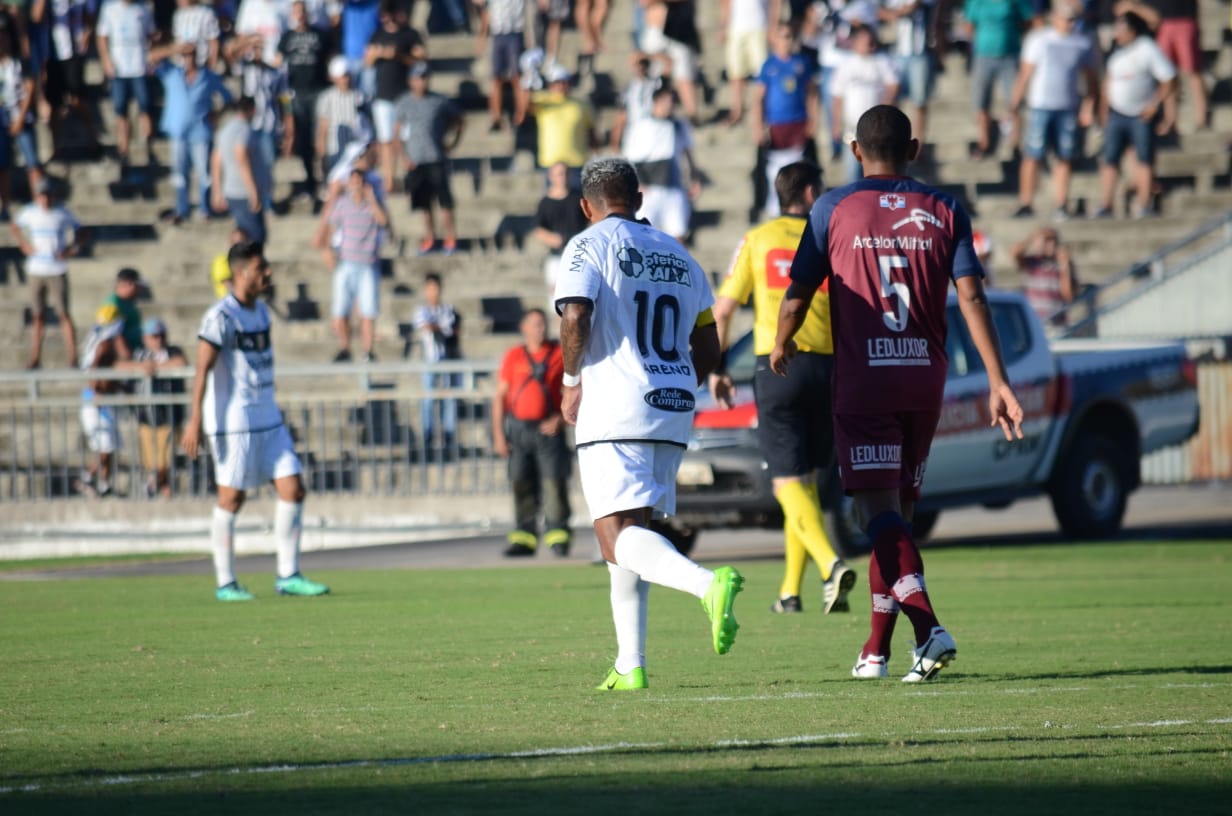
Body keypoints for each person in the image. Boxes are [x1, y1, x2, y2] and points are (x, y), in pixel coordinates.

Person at [770, 105, 1023, 682]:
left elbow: (798, 292)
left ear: (855, 151)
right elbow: (972, 297)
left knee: (875, 513)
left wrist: (782, 342)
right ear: (913, 150)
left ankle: (928, 628)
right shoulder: (945, 208)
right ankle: (875, 651)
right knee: (897, 516)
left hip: (866, 381)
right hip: (923, 379)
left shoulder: (832, 208)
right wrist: (998, 380)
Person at [554, 157, 744, 691]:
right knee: (632, 533)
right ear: (639, 199)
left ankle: (707, 585)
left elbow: (575, 315)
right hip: (672, 404)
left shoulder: (587, 245)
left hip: (615, 406)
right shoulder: (680, 254)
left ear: (586, 206)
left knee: (615, 538)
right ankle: (629, 662)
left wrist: (570, 381)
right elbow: (709, 344)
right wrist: (679, 383)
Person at [710, 161, 855, 616]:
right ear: (810, 193)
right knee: (805, 481)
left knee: (787, 482)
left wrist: (717, 368)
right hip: (828, 364)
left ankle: (830, 564)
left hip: (777, 364)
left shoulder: (758, 238)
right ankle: (790, 593)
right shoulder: (830, 236)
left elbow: (723, 309)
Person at [181, 239, 330, 602]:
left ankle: (288, 575)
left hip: (268, 418)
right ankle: (225, 582)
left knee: (293, 488)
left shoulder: (261, 312)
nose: (268, 273)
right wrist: (194, 419)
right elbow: (202, 369)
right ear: (241, 273)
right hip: (234, 422)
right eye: (261, 268)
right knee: (232, 498)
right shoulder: (221, 317)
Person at [1009, 0, 1100, 220]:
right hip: (1041, 105)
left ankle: (1061, 203)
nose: (1070, 23)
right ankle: (1026, 202)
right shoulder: (1039, 39)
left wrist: (1089, 106)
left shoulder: (1082, 43)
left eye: (1073, 19)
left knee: (1065, 156)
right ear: (1055, 19)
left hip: (1068, 107)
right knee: (1033, 155)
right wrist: (1014, 102)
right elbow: (1025, 73)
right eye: (1066, 19)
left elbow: (1091, 79)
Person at [492, 307, 572, 558]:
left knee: (553, 483)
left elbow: (574, 391)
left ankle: (558, 535)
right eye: (535, 324)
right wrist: (498, 435)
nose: (540, 329)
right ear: (524, 328)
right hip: (519, 430)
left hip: (548, 431)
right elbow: (500, 396)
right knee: (520, 482)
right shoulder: (514, 356)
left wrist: (560, 419)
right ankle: (524, 538)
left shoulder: (559, 353)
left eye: (542, 324)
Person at [1094, 10, 1176, 219]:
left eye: (1121, 28)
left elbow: (1169, 78)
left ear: (1132, 30)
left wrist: (1155, 105)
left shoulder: (1147, 48)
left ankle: (1144, 204)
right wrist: (1103, 111)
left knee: (1144, 159)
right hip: (1116, 114)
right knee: (1110, 159)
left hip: (1140, 115)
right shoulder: (1115, 51)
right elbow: (1108, 83)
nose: (1117, 33)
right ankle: (1106, 204)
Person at [151, 40, 232, 224]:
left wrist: (217, 114)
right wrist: (174, 49)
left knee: (204, 172)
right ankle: (182, 209)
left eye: (191, 54)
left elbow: (228, 97)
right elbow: (150, 57)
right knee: (179, 172)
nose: (189, 58)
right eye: (185, 55)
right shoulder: (172, 73)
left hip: (200, 130)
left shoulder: (208, 76)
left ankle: (205, 208)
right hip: (178, 130)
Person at [313, 168, 389, 362]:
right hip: (346, 262)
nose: (356, 186)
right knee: (341, 309)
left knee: (367, 310)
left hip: (367, 264)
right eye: (353, 182)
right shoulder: (342, 204)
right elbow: (331, 226)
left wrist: (371, 199)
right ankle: (345, 348)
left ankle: (367, 351)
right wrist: (327, 249)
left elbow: (383, 221)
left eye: (359, 182)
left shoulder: (373, 203)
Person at [12, 177, 84, 369]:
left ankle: (73, 357)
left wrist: (72, 249)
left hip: (57, 269)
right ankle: (35, 357)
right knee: (38, 315)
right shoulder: (29, 212)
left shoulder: (62, 212)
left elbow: (82, 231)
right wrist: (24, 245)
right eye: (41, 195)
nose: (44, 199)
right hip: (36, 269)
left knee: (63, 314)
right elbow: (15, 226)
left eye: (47, 195)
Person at [750, 21, 818, 220]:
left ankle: (801, 206)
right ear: (775, 39)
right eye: (783, 37)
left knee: (799, 166)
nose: (787, 41)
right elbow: (758, 99)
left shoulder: (802, 63)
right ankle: (775, 207)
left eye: (790, 36)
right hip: (776, 124)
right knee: (774, 168)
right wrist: (758, 126)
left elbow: (812, 93)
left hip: (797, 122)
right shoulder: (768, 66)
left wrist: (813, 120)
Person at [395, 61, 463, 255]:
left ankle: (450, 238)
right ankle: (430, 238)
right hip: (416, 161)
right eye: (418, 78)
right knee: (424, 204)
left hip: (436, 158)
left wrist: (452, 143)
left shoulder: (439, 101)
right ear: (411, 81)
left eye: (425, 78)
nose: (422, 82)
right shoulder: (404, 103)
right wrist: (404, 157)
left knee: (445, 202)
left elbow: (459, 120)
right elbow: (396, 134)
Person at [622, 86, 699, 243]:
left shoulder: (679, 125)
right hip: (649, 188)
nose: (669, 105)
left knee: (678, 234)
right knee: (645, 235)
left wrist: (694, 178)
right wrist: (638, 183)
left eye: (671, 102)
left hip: (673, 186)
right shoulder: (641, 125)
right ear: (656, 102)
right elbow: (630, 157)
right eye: (665, 101)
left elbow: (687, 153)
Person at [365, 0, 426, 193]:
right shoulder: (377, 35)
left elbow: (421, 59)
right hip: (383, 96)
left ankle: (409, 177)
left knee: (405, 139)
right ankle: (389, 179)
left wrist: (399, 56)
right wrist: (381, 54)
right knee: (385, 140)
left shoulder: (409, 35)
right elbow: (367, 60)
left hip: (404, 95)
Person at [963, 0, 1035, 159]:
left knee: (1015, 101)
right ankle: (984, 142)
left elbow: (1028, 21)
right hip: (983, 55)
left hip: (1010, 55)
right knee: (981, 101)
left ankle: (1015, 144)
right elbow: (968, 25)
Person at [830, 24, 900, 183]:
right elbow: (837, 97)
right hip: (852, 128)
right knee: (852, 172)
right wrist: (836, 124)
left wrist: (883, 111)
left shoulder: (882, 61)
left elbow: (893, 85)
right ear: (855, 43)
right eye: (867, 42)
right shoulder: (845, 65)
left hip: (877, 128)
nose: (871, 45)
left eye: (872, 41)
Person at [277, 0, 329, 202]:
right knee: (303, 140)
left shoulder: (320, 35)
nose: (300, 15)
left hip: (318, 91)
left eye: (302, 11)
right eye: (296, 12)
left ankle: (325, 181)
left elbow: (329, 60)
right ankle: (309, 183)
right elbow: (278, 66)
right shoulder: (287, 37)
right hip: (295, 93)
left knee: (321, 138)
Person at [133, 317, 187, 499]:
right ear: (145, 338)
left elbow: (181, 362)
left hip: (169, 417)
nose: (158, 340)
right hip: (146, 418)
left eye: (161, 335)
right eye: (154, 336)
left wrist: (155, 367)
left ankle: (155, 487)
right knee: (152, 463)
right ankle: (161, 490)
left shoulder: (172, 351)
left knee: (165, 461)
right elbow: (119, 365)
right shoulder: (140, 354)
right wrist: (142, 367)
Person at [76, 304, 127, 498]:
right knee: (105, 446)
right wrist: (95, 388)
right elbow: (95, 367)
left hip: (100, 398)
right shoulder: (104, 342)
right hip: (97, 399)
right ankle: (88, 477)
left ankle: (104, 485)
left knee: (109, 446)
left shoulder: (97, 338)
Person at [96, 0, 154, 168]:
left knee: (145, 108)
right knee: (120, 111)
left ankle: (148, 150)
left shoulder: (143, 8)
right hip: (118, 68)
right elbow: (102, 37)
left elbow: (151, 34)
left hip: (139, 67)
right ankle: (123, 151)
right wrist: (106, 61)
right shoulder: (109, 9)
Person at [520, 63, 596, 178]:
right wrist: (527, 83)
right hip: (551, 163)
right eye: (557, 82)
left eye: (564, 82)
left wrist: (595, 153)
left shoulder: (582, 104)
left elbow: (591, 132)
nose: (561, 86)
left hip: (577, 162)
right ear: (550, 85)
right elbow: (523, 110)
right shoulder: (542, 100)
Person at [413, 272, 461, 453]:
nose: (433, 292)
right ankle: (427, 436)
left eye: (436, 288)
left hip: (446, 359)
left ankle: (449, 436)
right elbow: (425, 326)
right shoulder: (421, 310)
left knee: (449, 397)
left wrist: (436, 327)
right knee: (428, 398)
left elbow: (450, 328)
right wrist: (438, 327)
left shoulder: (447, 309)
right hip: (429, 360)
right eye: (430, 288)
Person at [211, 97, 269, 243]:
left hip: (231, 189)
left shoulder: (224, 130)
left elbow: (216, 161)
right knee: (253, 238)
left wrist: (217, 191)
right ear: (252, 110)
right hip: (243, 191)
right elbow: (241, 157)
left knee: (244, 233)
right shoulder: (244, 130)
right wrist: (252, 190)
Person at [879, 0, 938, 144]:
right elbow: (879, 11)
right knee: (895, 100)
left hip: (919, 53)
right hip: (896, 54)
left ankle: (919, 141)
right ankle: (896, 139)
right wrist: (898, 13)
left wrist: (900, 11)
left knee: (919, 101)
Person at [0, 13, 39, 220]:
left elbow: (30, 87)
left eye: (4, 34)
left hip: (21, 118)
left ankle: (40, 201)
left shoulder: (20, 62)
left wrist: (21, 117)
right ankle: (4, 206)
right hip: (1, 121)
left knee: (32, 163)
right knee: (3, 166)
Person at [532, 160, 588, 298]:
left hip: (580, 256)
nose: (563, 177)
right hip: (556, 257)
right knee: (556, 298)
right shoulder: (545, 202)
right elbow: (538, 229)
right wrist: (552, 239)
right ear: (551, 176)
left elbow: (591, 219)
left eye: (565, 173)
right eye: (559, 174)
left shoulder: (579, 198)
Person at [721, 0, 779, 126]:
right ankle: (737, 111)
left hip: (759, 26)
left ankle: (764, 110)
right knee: (735, 72)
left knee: (762, 73)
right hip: (735, 27)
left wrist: (773, 25)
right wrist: (724, 25)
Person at [474, 0, 525, 131]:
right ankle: (495, 117)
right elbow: (486, 13)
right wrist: (482, 37)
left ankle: (521, 116)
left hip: (515, 32)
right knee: (496, 78)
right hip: (497, 35)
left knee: (517, 77)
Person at [315, 55, 369, 181]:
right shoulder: (326, 98)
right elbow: (323, 128)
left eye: (347, 76)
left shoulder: (359, 96)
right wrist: (322, 155)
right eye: (343, 76)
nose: (346, 80)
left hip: (356, 149)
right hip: (334, 148)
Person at [1013, 225, 1077, 327]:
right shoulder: (1031, 262)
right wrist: (1033, 238)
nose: (1051, 244)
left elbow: (1068, 295)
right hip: (1035, 322)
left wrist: (1065, 267)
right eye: (1047, 240)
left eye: (1053, 240)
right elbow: (1015, 253)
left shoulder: (1063, 264)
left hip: (1056, 323)